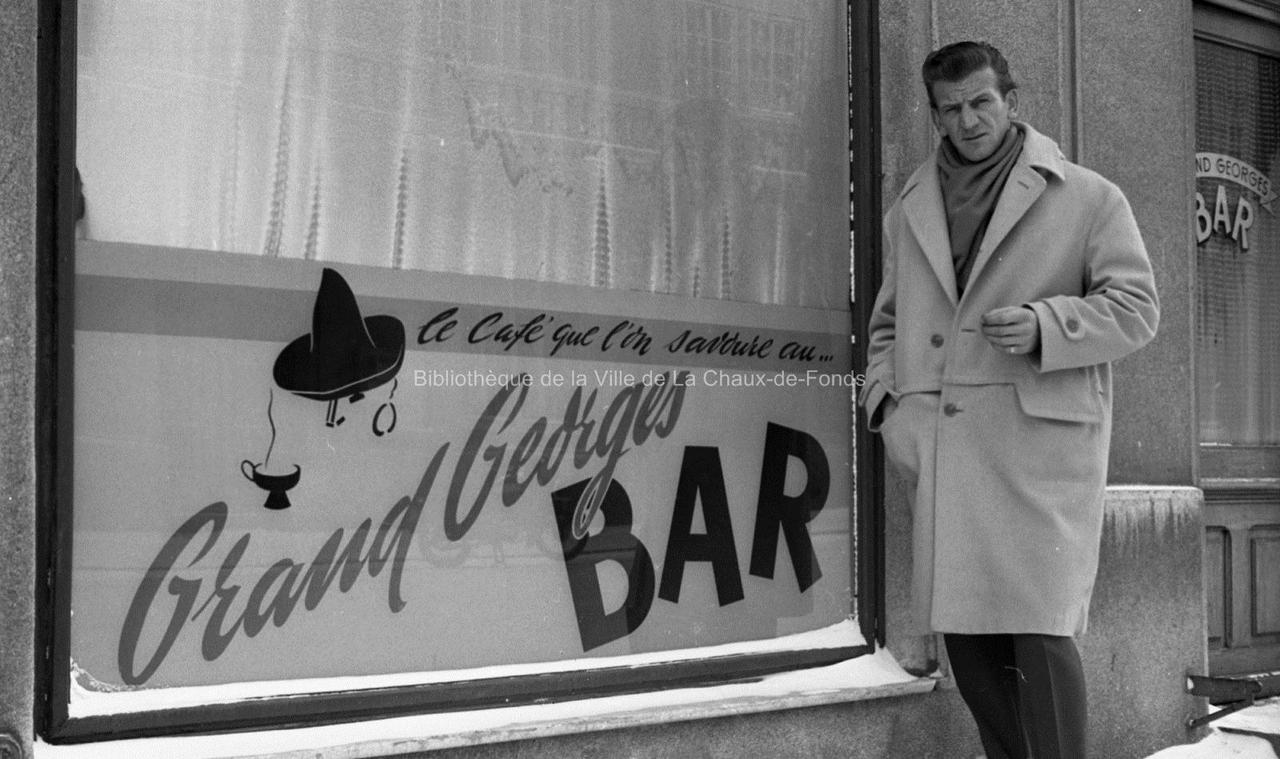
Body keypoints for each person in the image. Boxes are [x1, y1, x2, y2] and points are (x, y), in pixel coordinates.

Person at [859, 41, 1159, 759]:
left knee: (1040, 635)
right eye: (950, 110)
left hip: (1037, 448)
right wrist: (887, 409)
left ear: (1012, 100)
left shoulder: (1087, 196)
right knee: (968, 641)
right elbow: (886, 326)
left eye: (981, 103)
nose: (967, 121)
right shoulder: (912, 204)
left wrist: (1046, 324)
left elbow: (1138, 307)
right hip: (945, 448)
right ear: (935, 115)